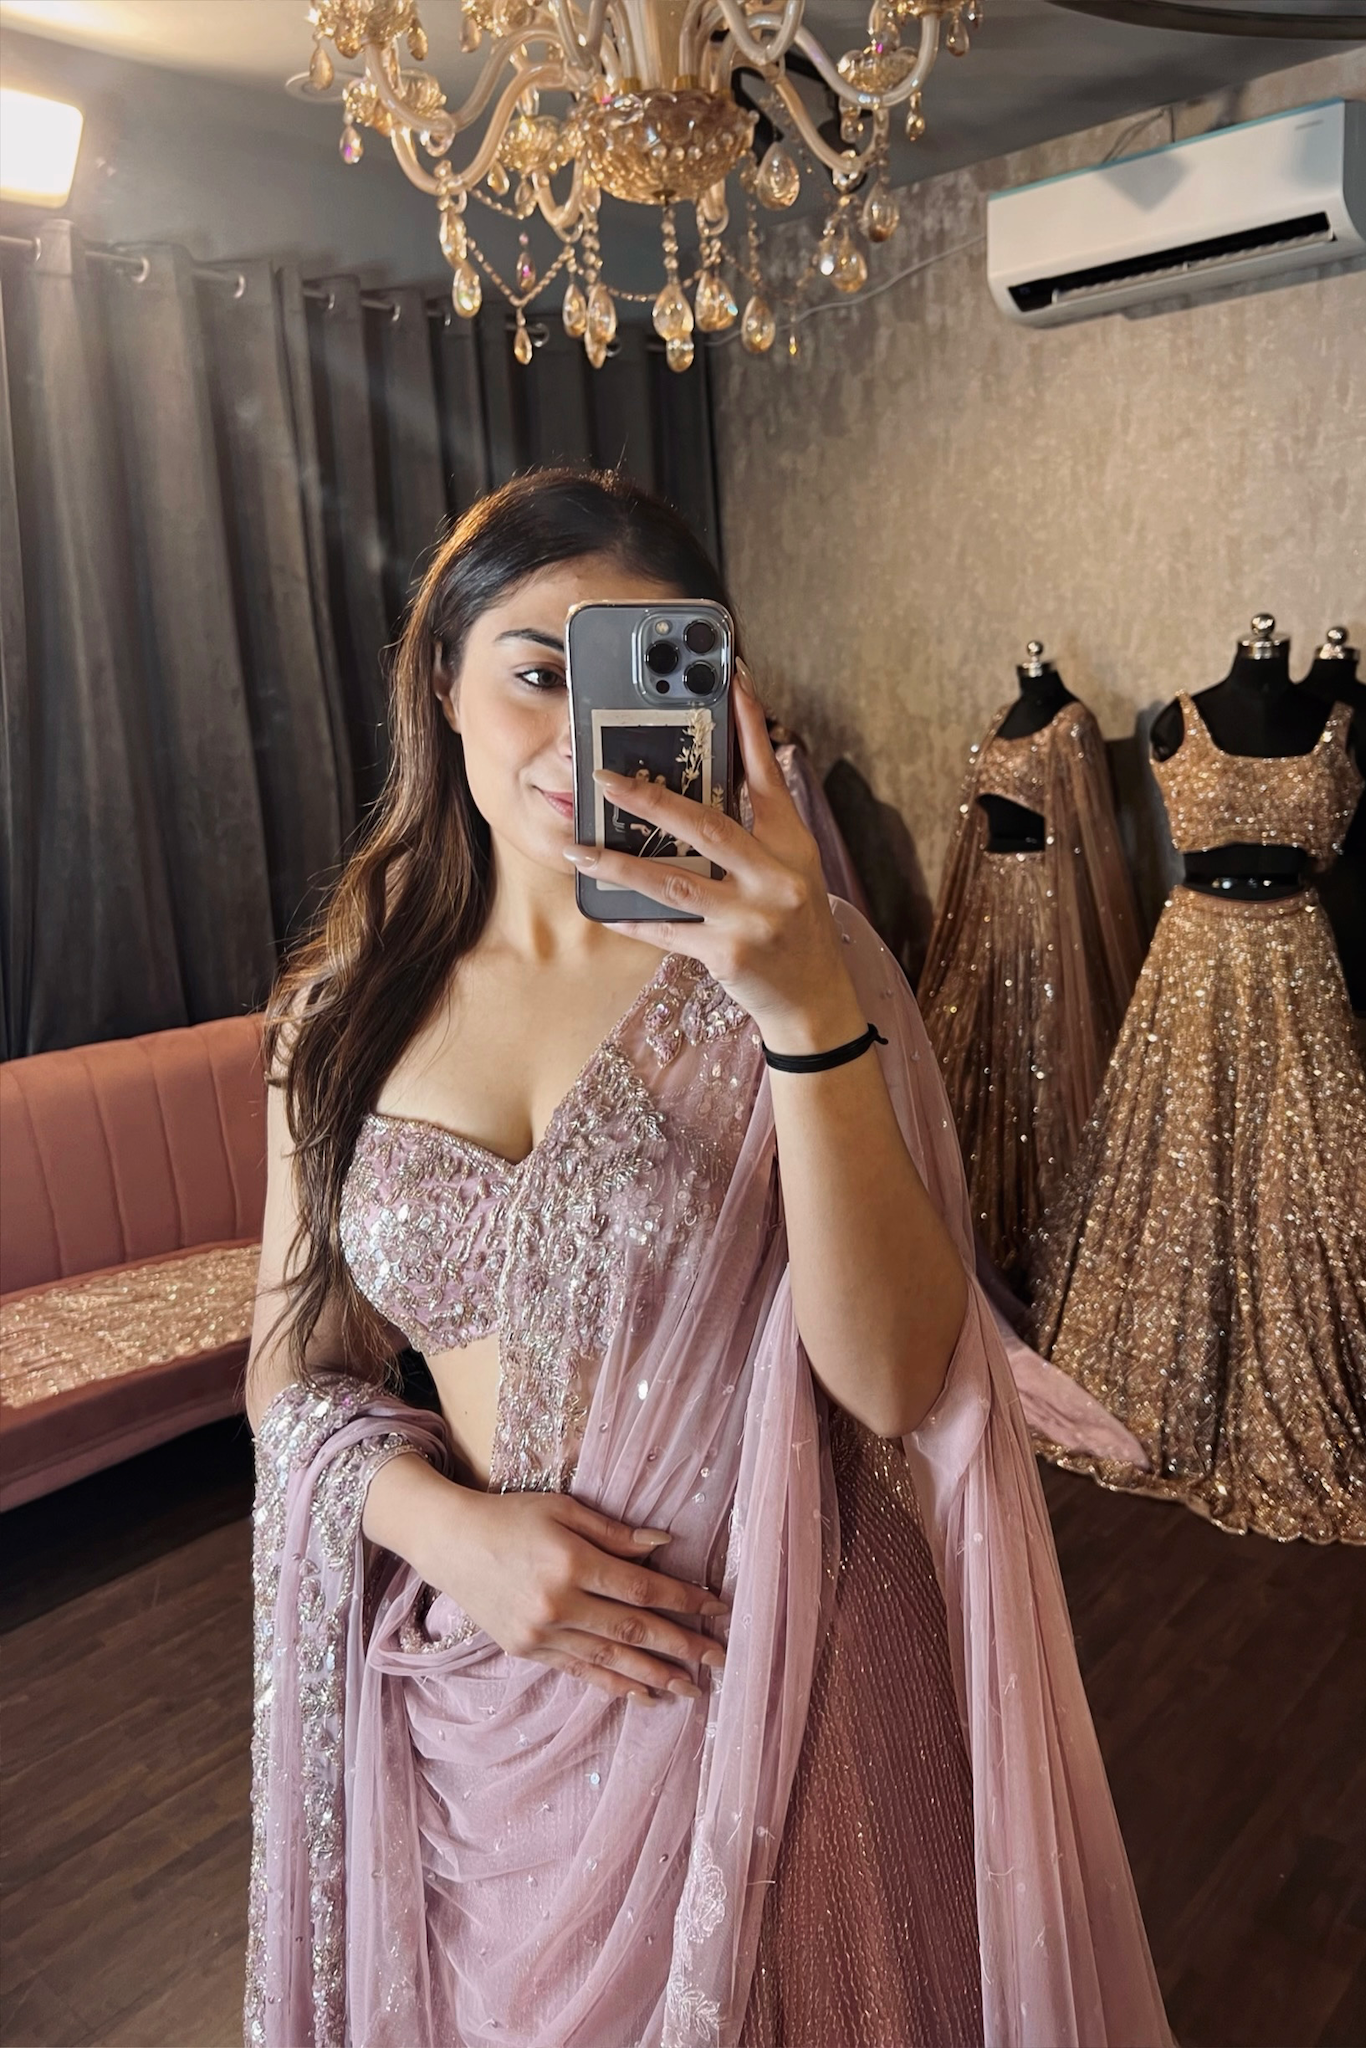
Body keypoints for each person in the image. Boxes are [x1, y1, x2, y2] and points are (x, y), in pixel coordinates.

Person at [244, 469, 1170, 2048]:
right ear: (442, 682)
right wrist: (448, 1534)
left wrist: (803, 1012)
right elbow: (291, 1372)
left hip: (778, 1682)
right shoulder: (337, 1016)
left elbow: (893, 1382)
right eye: (536, 671)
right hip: (481, 1708)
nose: (577, 736)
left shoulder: (799, 961)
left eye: (633, 679)